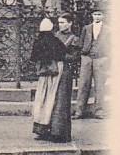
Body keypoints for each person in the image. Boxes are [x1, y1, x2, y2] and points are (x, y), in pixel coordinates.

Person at [30, 17, 67, 141]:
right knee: (52, 99)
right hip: (55, 72)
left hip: (43, 74)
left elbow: (34, 57)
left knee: (42, 99)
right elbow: (62, 53)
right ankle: (52, 127)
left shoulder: (38, 41)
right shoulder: (55, 40)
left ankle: (41, 128)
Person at [73, 7, 110, 119]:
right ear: (92, 16)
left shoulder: (109, 30)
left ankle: (99, 111)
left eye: (99, 14)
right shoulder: (86, 28)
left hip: (101, 58)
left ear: (103, 16)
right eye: (95, 14)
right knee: (83, 84)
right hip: (86, 58)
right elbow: (81, 42)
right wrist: (83, 53)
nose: (97, 16)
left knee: (100, 85)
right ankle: (79, 111)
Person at [49, 12, 81, 142]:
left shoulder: (74, 39)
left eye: (63, 22)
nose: (60, 25)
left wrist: (60, 55)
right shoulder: (55, 36)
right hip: (54, 70)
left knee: (62, 102)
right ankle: (50, 131)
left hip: (66, 72)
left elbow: (75, 57)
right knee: (52, 101)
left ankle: (61, 134)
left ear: (70, 23)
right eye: (59, 22)